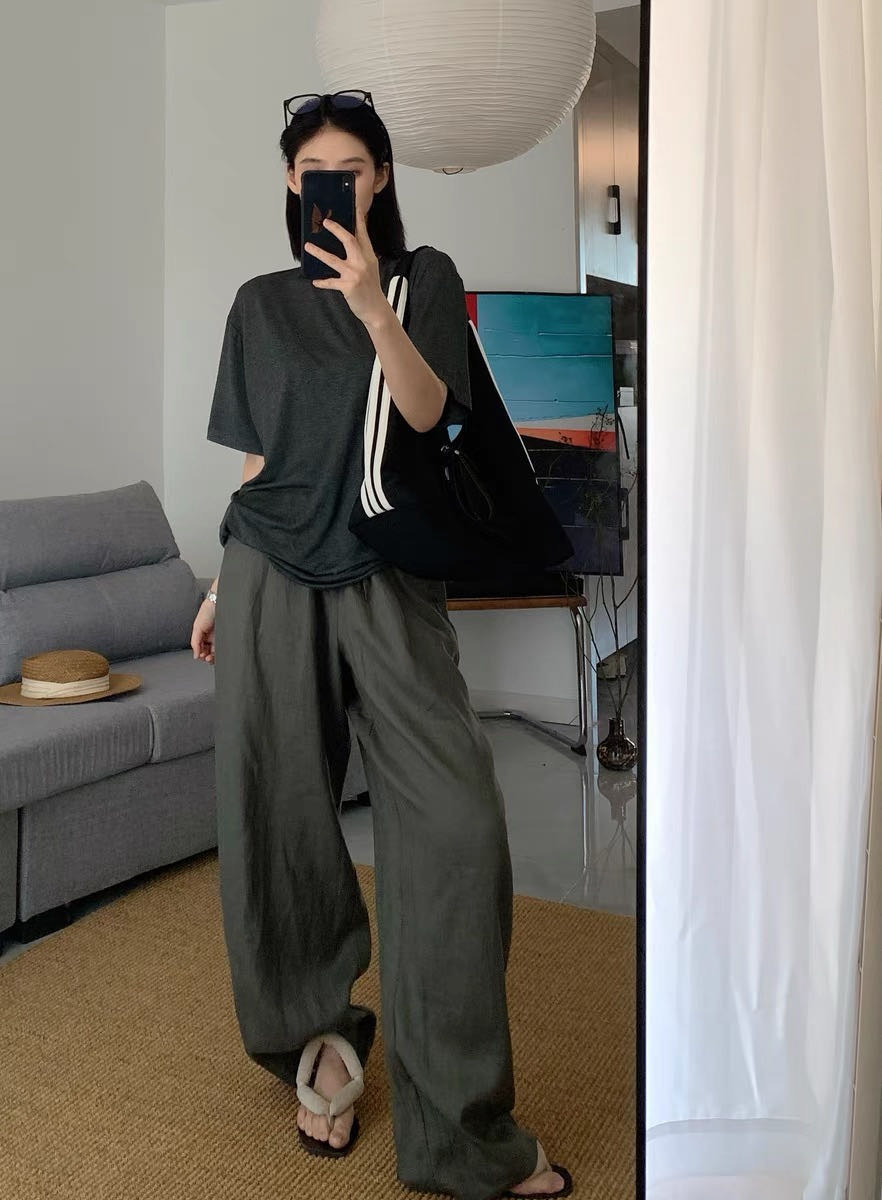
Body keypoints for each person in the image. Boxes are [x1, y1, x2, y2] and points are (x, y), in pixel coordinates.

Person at [190, 90, 572, 1200]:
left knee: (456, 829)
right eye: (316, 169)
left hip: (390, 579)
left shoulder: (423, 281)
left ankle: (461, 1130)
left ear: (382, 178)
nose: (335, 184)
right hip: (268, 576)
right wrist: (219, 580)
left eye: (353, 168)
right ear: (289, 182)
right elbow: (259, 468)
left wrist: (372, 307)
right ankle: (317, 1041)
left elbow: (430, 416)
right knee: (277, 820)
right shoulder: (256, 305)